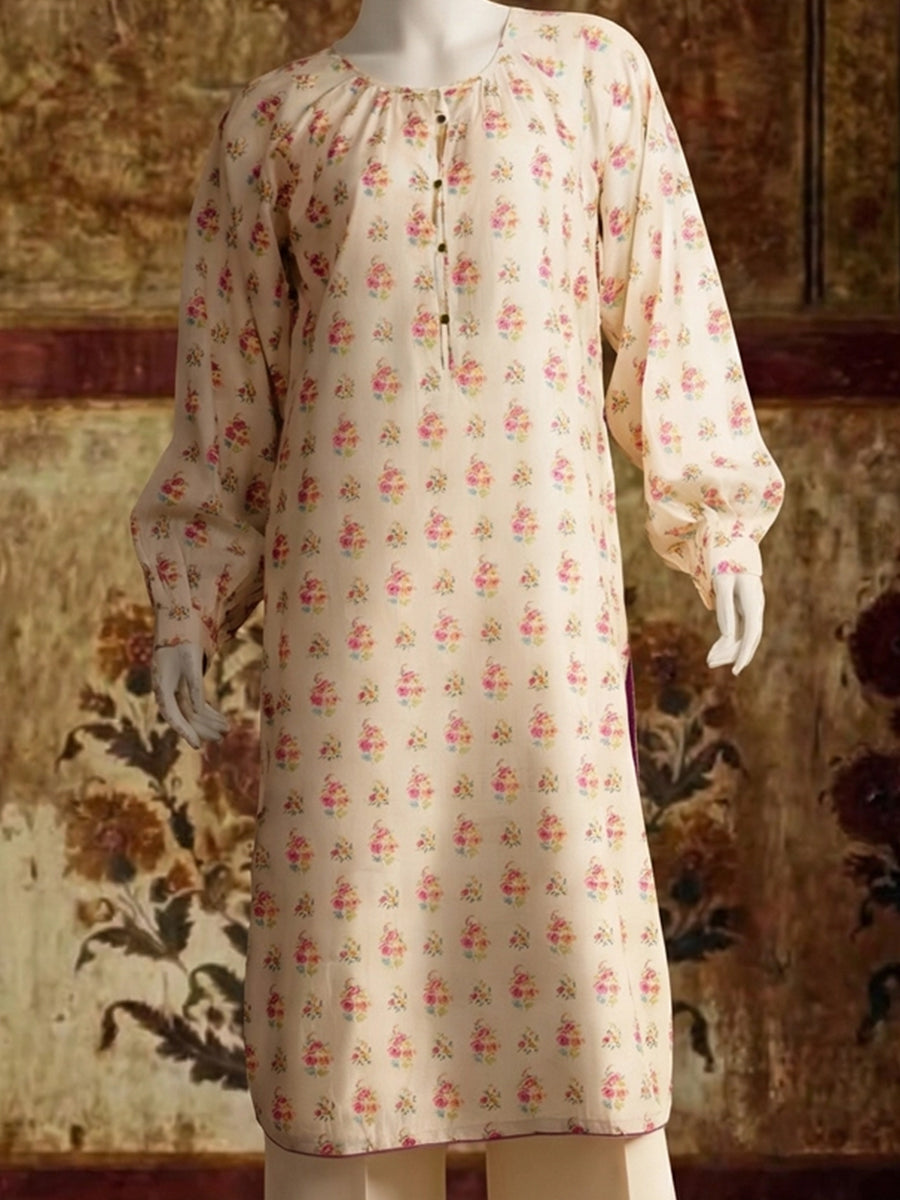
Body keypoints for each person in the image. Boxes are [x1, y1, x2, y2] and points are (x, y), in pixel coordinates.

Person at [129, 2, 785, 1196]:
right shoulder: (276, 122)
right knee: (351, 1005)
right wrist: (191, 599)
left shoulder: (592, 74)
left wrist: (720, 524)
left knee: (574, 988)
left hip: (541, 622)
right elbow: (227, 394)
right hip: (351, 640)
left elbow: (670, 309)